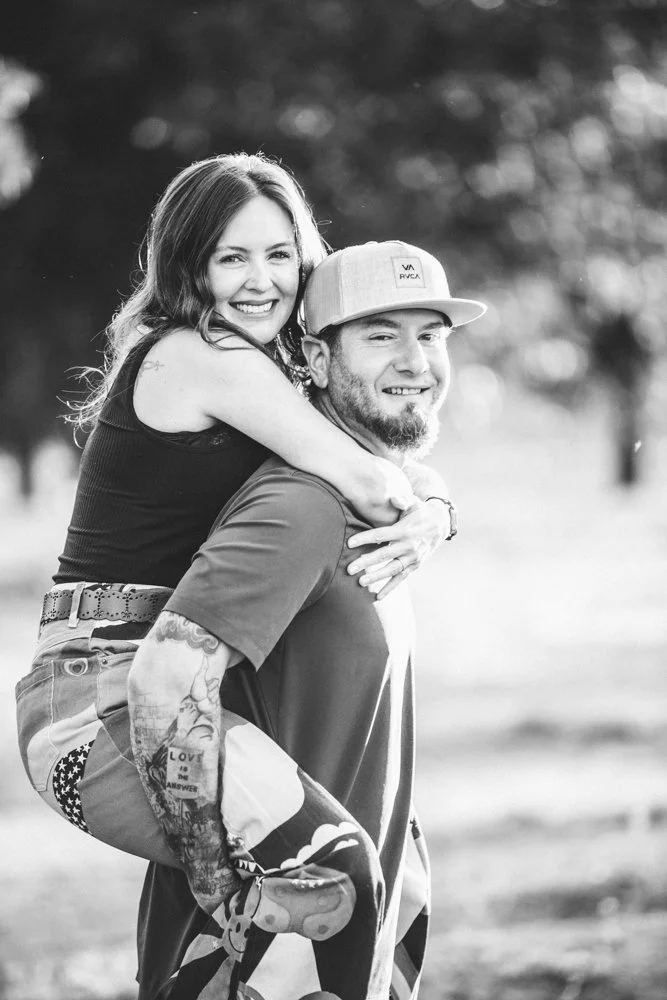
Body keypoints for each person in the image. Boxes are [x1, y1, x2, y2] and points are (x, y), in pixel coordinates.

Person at [16, 155, 461, 871]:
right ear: (188, 267)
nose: (262, 281)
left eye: (280, 255)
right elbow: (367, 479)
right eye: (232, 258)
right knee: (324, 872)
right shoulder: (198, 352)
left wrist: (435, 507)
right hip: (95, 704)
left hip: (169, 682)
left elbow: (379, 460)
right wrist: (427, 513)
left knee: (337, 876)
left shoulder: (266, 371)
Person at [128, 240, 487, 1000]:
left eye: (431, 335)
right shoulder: (303, 507)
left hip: (343, 931)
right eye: (381, 335)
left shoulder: (377, 507)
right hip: (264, 948)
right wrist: (219, 887)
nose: (416, 362)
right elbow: (167, 679)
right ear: (318, 361)